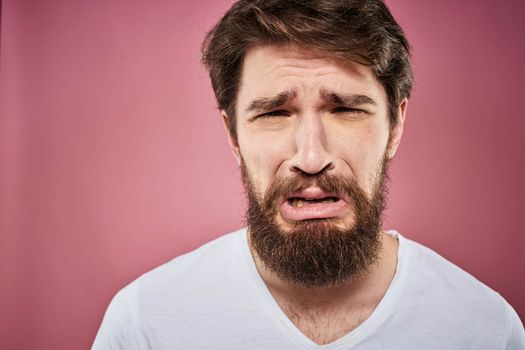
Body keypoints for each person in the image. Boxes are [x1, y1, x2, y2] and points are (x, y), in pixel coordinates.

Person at [92, 0, 525, 349]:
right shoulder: (144, 323)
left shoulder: (486, 328)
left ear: (395, 126)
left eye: (346, 109)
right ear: (233, 135)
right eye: (275, 113)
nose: (311, 157)